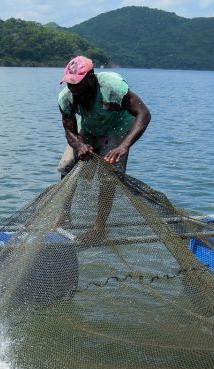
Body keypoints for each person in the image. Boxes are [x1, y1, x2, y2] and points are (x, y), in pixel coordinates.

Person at [56, 56, 151, 243]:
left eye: (77, 84)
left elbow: (144, 113)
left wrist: (124, 146)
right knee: (66, 167)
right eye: (69, 84)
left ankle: (99, 228)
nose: (73, 89)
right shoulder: (66, 98)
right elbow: (69, 130)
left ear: (91, 78)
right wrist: (79, 144)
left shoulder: (112, 87)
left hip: (118, 130)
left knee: (108, 177)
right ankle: (64, 216)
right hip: (90, 129)